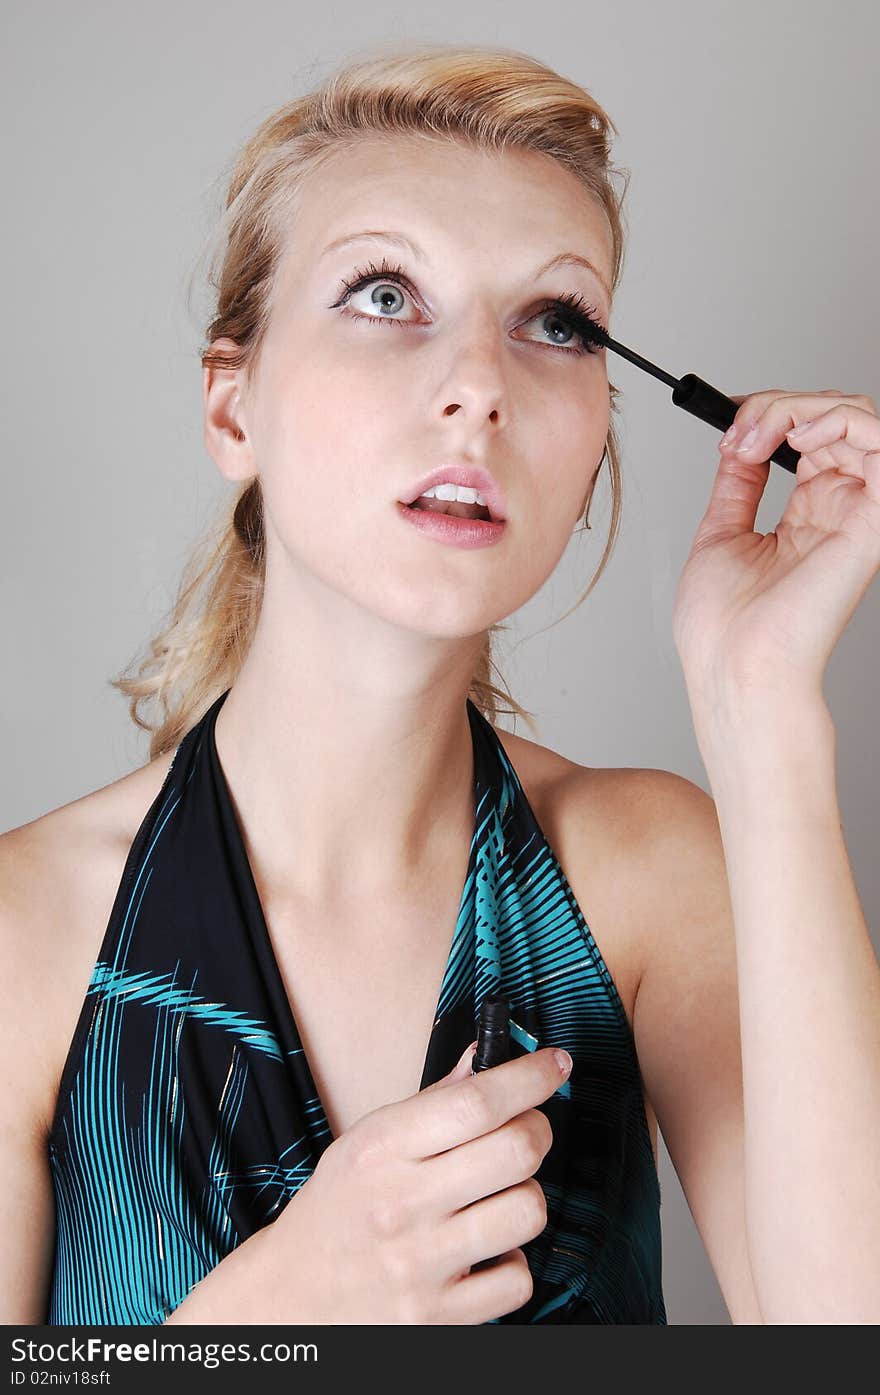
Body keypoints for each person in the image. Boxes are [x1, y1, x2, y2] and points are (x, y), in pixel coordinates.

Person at [3, 42, 879, 1328]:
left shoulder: (647, 875)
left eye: (556, 323)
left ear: (594, 452)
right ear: (233, 409)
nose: (479, 383)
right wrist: (270, 1320)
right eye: (382, 294)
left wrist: (763, 707)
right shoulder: (26, 933)